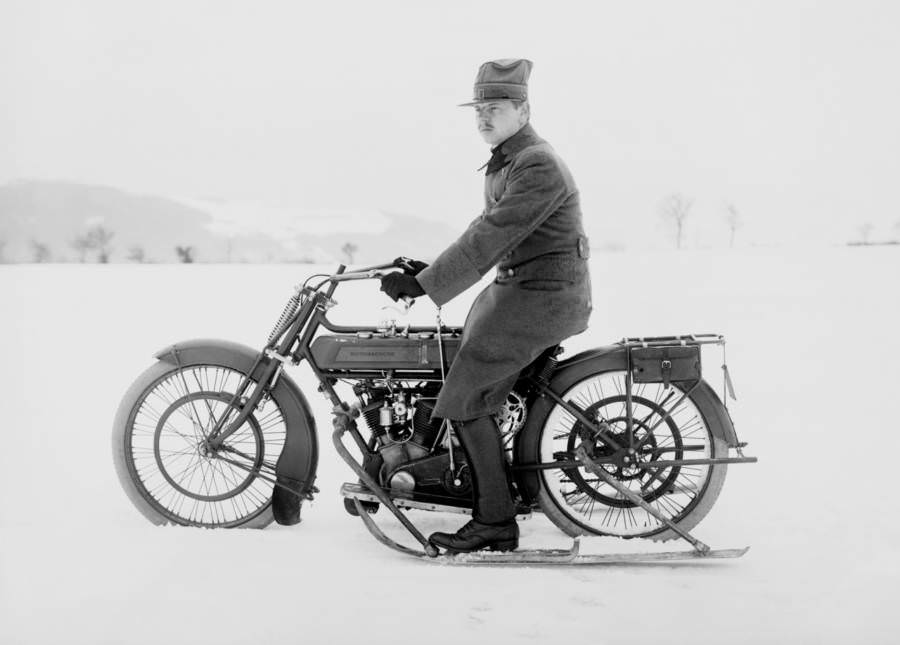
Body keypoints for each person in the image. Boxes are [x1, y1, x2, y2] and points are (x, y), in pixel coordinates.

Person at [380, 58, 592, 553]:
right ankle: (422, 460)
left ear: (523, 110)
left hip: (544, 296)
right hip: (521, 290)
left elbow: (494, 237)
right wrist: (426, 272)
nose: (482, 117)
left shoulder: (536, 162)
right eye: (478, 108)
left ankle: (494, 519)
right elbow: (482, 230)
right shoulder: (508, 161)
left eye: (494, 108)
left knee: (469, 393)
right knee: (452, 356)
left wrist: (424, 286)